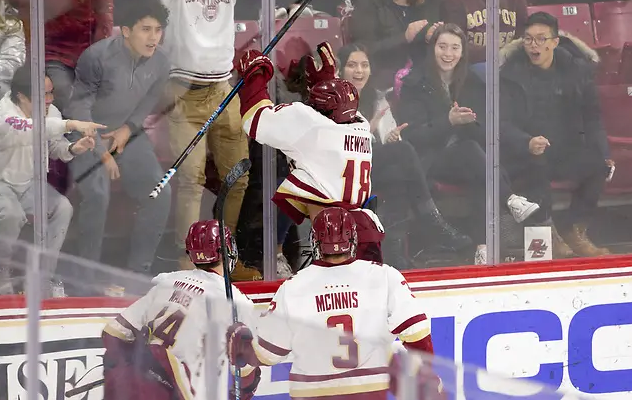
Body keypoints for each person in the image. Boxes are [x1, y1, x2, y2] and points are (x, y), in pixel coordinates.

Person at [226, 207, 443, 399]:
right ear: (353, 241)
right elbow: (417, 334)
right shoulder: (384, 277)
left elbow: (267, 354)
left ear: (314, 241)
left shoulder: (294, 287)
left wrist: (241, 343)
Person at [395, 24, 542, 262]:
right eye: (442, 47)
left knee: (477, 168)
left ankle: (482, 249)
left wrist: (469, 124)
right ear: (433, 49)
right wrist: (448, 121)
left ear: (463, 52)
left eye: (455, 48)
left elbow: (485, 127)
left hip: (469, 158)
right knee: (473, 155)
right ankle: (509, 198)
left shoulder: (471, 80)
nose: (448, 53)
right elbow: (412, 136)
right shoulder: (415, 83)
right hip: (431, 159)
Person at [236, 42, 386, 264]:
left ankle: (275, 255)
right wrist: (323, 85)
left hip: (333, 241)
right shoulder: (360, 122)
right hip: (364, 231)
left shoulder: (312, 126)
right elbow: (332, 113)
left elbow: (255, 120)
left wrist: (254, 77)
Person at [337, 43, 471, 268]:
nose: (359, 71)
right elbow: (336, 148)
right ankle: (431, 220)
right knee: (404, 152)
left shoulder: (377, 99)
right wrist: (366, 134)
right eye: (352, 65)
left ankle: (395, 257)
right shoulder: (333, 101)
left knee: (397, 174)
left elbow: (390, 137)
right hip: (346, 169)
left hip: (374, 167)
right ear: (340, 70)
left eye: (364, 65)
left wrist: (390, 140)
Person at [65, 0, 171, 276]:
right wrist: (101, 151)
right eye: (146, 29)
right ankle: (86, 273)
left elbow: (149, 100)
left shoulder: (161, 61)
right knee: (97, 193)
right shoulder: (97, 57)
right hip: (87, 134)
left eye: (158, 30)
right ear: (126, 30)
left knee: (160, 191)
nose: (153, 38)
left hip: (126, 134)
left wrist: (128, 128)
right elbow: (79, 106)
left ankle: (139, 271)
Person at [0, 65, 103, 295]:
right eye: (43, 94)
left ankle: (43, 278)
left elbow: (55, 148)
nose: (49, 99)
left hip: (32, 186)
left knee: (63, 208)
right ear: (22, 96)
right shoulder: (2, 117)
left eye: (51, 92)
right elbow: (31, 129)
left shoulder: (50, 111)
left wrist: (75, 147)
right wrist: (71, 123)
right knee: (11, 214)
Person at [101, 219, 261, 400]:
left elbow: (113, 333)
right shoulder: (236, 302)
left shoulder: (166, 282)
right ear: (227, 250)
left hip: (136, 385)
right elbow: (245, 373)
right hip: (180, 392)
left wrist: (135, 365)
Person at [499, 12, 611, 257]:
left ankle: (574, 229)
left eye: (541, 39)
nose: (533, 45)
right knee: (536, 163)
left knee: (597, 163)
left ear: (555, 42)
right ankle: (548, 232)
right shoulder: (510, 73)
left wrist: (604, 152)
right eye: (528, 39)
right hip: (525, 151)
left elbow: (592, 117)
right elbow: (501, 123)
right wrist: (525, 141)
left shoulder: (577, 70)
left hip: (564, 148)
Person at [158, 0, 254, 281]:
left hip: (223, 89)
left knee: (238, 177)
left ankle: (226, 254)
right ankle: (189, 260)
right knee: (191, 181)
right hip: (183, 88)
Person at [440, 0, 527, 65]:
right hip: (473, 63)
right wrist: (495, 54)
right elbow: (456, 43)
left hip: (510, 60)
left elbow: (523, 34)